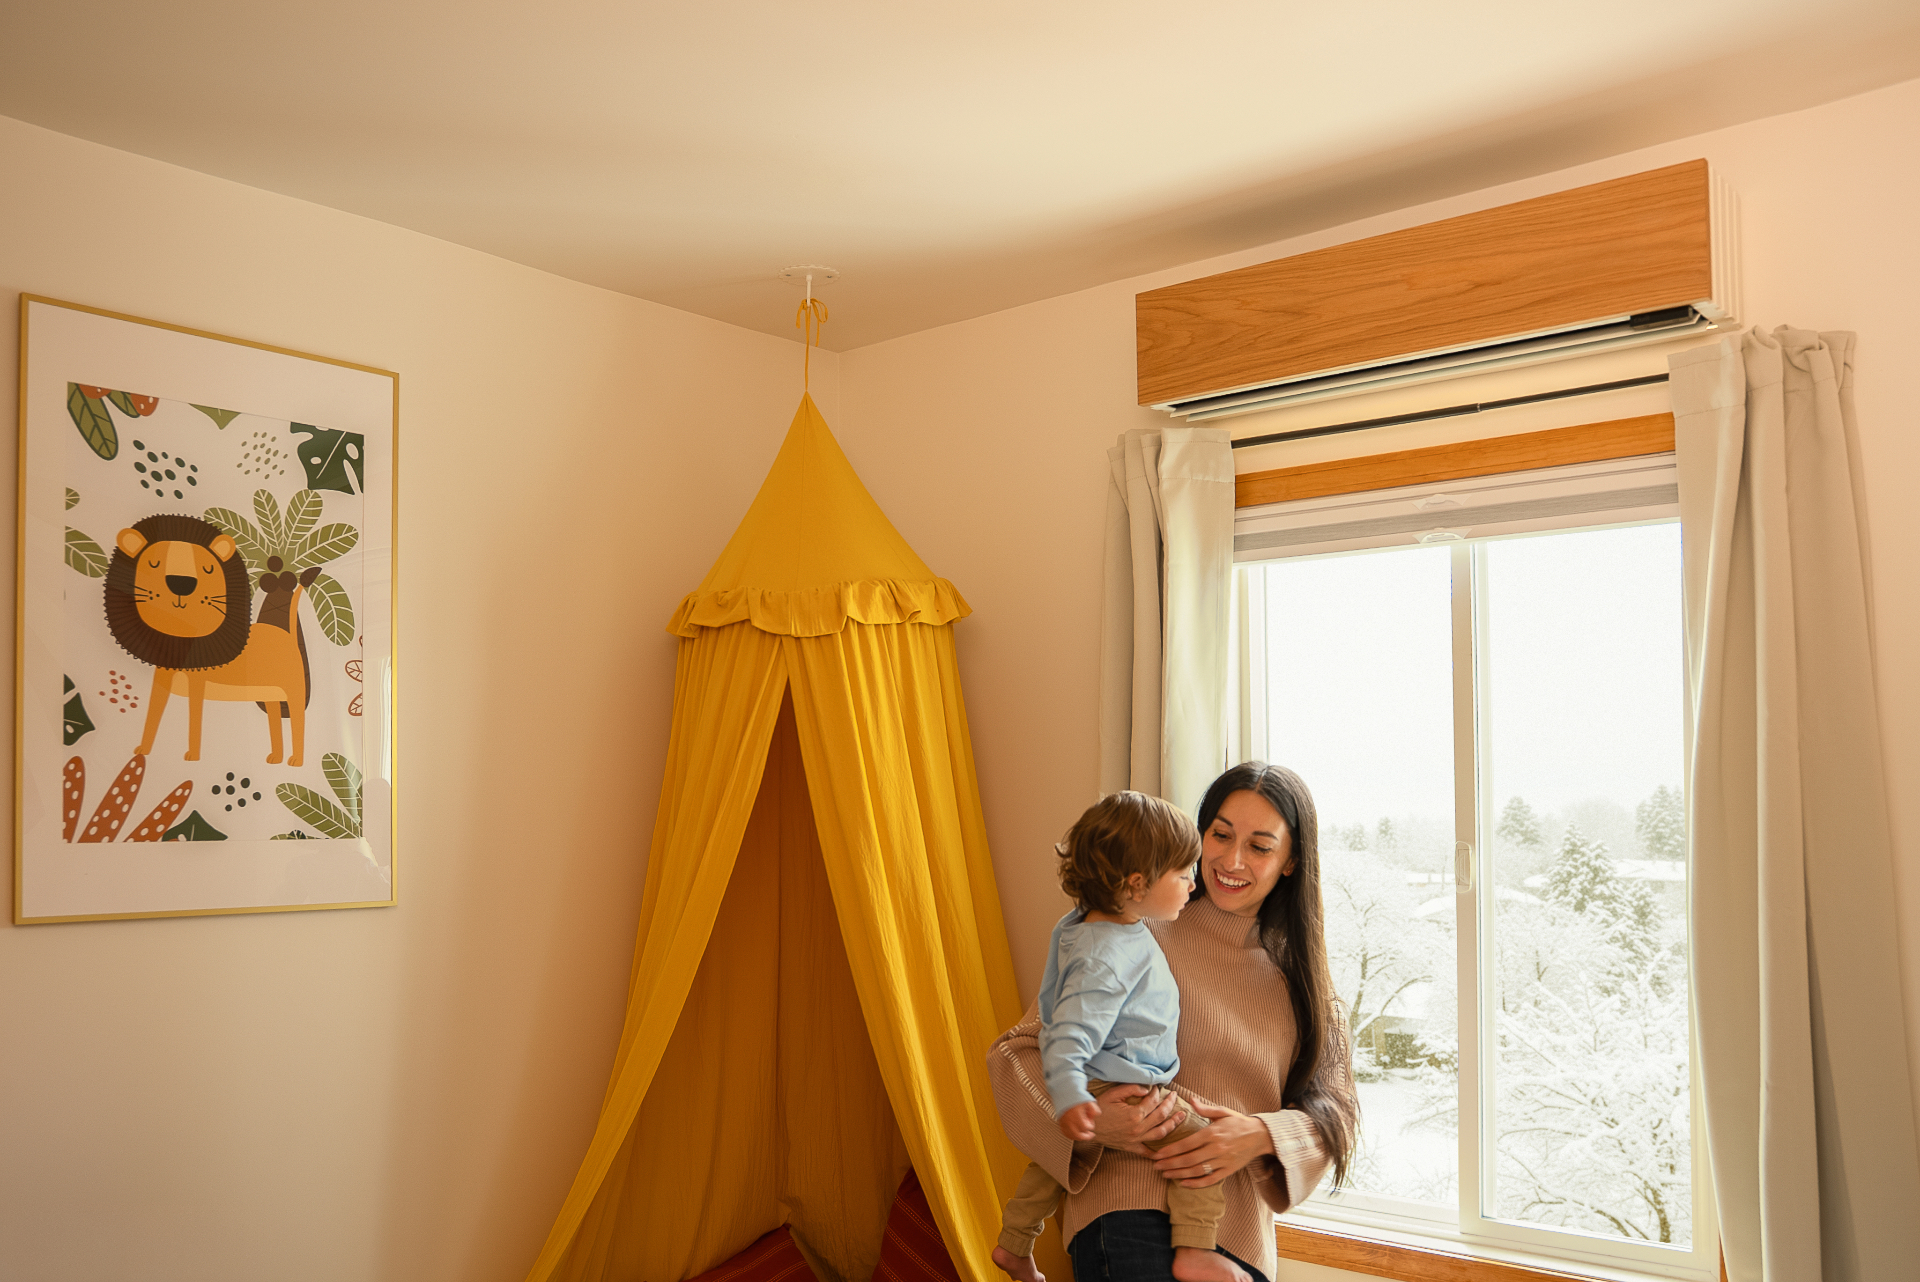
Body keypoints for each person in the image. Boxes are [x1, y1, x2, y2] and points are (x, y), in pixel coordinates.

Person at [986, 763, 1359, 1282]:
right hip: (1127, 1210)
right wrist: (1092, 1123)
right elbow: (1016, 1053)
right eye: (1220, 835)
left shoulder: (1306, 984)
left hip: (1239, 1240)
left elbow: (1335, 1115)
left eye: (1259, 846)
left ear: (1292, 860)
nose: (1231, 860)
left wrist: (1258, 1136)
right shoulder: (1135, 930)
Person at [989, 791, 1232, 1282]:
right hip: (1118, 1084)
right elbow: (1067, 1035)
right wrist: (1071, 1096)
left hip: (1104, 1080)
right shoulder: (1107, 959)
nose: (1192, 883)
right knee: (1203, 1149)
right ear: (1136, 883)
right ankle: (1195, 1248)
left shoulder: (1089, 926)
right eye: (1183, 873)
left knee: (1048, 1168)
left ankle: (1014, 1245)